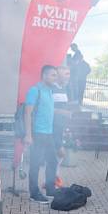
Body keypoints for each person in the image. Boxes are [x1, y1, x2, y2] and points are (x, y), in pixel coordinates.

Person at [23, 65, 65, 202]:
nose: (56, 77)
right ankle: (34, 193)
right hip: (37, 133)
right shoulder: (35, 91)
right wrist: (28, 135)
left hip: (48, 133)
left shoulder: (49, 91)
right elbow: (27, 113)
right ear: (44, 76)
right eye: (53, 75)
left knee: (52, 161)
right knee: (35, 163)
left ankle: (50, 188)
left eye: (56, 75)